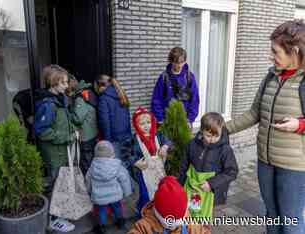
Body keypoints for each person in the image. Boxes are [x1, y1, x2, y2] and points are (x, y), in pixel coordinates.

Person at [226, 20, 305, 234]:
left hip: (295, 167)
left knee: (291, 220)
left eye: (275, 51)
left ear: (295, 51)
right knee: (271, 214)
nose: (271, 56)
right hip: (265, 161)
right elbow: (254, 113)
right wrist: (223, 129)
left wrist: (299, 124)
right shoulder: (271, 76)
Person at [33, 65, 75, 232]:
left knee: (63, 184)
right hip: (55, 154)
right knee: (58, 186)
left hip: (63, 151)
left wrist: (72, 130)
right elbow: (42, 131)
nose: (66, 85)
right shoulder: (48, 105)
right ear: (53, 83)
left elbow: (62, 122)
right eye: (63, 82)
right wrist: (66, 137)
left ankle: (61, 213)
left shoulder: (60, 100)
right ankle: (55, 220)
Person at [178, 112, 238, 207]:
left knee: (207, 215)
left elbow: (232, 172)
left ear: (221, 130)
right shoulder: (192, 144)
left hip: (213, 192)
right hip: (194, 190)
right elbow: (183, 166)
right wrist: (180, 185)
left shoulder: (225, 150)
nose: (212, 139)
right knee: (193, 212)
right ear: (202, 131)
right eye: (208, 136)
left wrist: (211, 183)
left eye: (216, 136)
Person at [127, 176, 210, 234]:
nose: (172, 226)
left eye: (177, 223)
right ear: (157, 214)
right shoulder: (144, 226)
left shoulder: (190, 224)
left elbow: (203, 231)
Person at [130, 107, 171, 215]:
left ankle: (158, 210)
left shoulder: (158, 134)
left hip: (159, 170)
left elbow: (168, 141)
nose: (146, 126)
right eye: (142, 123)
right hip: (144, 172)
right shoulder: (133, 139)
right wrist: (135, 161)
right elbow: (126, 154)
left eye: (148, 122)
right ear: (136, 125)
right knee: (145, 194)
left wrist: (165, 146)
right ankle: (143, 212)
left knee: (159, 191)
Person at [85, 140, 133, 234]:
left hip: (99, 197)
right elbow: (124, 179)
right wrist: (127, 192)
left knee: (101, 211)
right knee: (117, 207)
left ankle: (102, 227)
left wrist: (89, 191)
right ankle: (120, 222)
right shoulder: (117, 166)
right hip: (115, 195)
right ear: (112, 154)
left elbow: (88, 179)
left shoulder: (93, 166)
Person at [151, 47, 199, 127]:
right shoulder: (163, 77)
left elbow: (194, 100)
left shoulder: (190, 77)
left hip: (185, 121)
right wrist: (160, 119)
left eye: (182, 62)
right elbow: (156, 100)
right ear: (171, 61)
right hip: (167, 121)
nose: (179, 65)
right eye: (176, 62)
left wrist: (190, 119)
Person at [96, 74, 132, 169]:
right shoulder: (121, 93)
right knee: (127, 164)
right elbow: (127, 116)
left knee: (116, 166)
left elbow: (105, 122)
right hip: (126, 135)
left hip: (114, 139)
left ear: (101, 86)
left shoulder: (103, 98)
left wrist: (107, 141)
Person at [67, 75, 98, 175]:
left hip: (86, 135)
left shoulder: (80, 97)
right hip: (93, 132)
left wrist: (68, 113)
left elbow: (78, 118)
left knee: (86, 163)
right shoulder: (88, 91)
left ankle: (88, 184)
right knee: (91, 160)